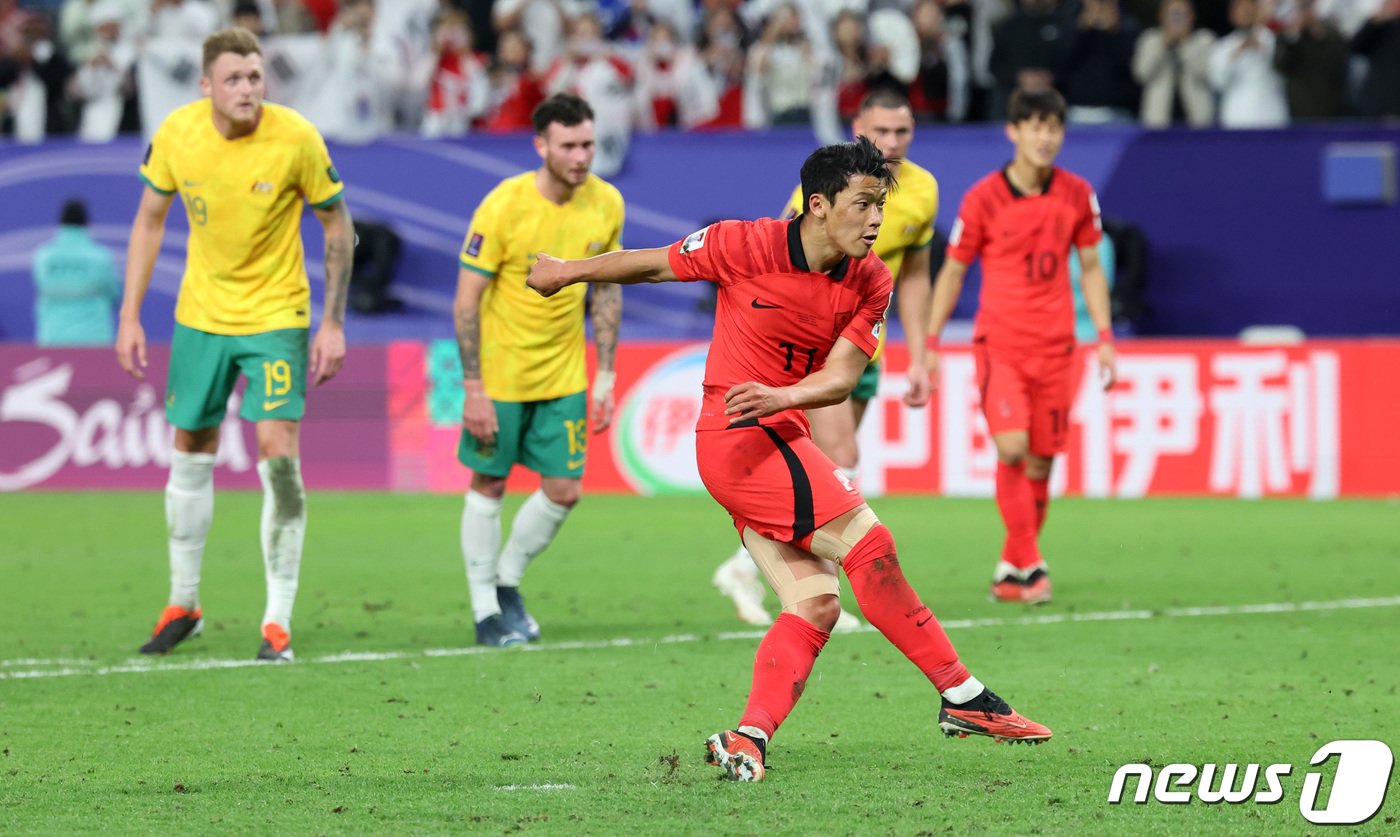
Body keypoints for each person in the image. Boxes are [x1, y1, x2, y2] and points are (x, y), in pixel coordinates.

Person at [527, 137, 1052, 782]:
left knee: (815, 603)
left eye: (881, 205)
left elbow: (841, 377)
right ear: (820, 205)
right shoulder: (740, 244)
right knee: (870, 545)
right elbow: (652, 264)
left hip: (781, 431)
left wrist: (782, 396)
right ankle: (963, 696)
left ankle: (748, 738)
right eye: (862, 205)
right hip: (734, 437)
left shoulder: (871, 278)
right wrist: (567, 271)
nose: (876, 220)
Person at [115, 26, 355, 662]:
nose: (248, 88)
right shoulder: (176, 134)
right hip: (200, 317)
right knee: (191, 447)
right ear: (206, 86)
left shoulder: (296, 137)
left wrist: (332, 322)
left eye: (255, 76)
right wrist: (130, 315)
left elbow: (337, 225)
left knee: (277, 454)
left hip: (277, 313)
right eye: (235, 79)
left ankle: (276, 620)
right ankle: (184, 603)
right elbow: (148, 218)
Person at [711, 88, 939, 632]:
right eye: (881, 132)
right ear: (860, 127)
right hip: (814, 353)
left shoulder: (923, 191)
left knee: (833, 466)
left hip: (864, 349)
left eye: (902, 133)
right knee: (840, 454)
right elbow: (786, 264)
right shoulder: (827, 187)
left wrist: (922, 355)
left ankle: (755, 571)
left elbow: (914, 275)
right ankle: (807, 586)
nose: (892, 143)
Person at [925, 87, 1116, 605]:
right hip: (1002, 345)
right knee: (1012, 447)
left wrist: (1104, 337)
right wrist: (930, 341)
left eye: (1053, 126)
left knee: (1040, 463)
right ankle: (1032, 563)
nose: (1045, 136)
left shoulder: (1077, 194)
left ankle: (1011, 570)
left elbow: (1093, 269)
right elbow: (954, 272)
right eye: (1034, 125)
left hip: (1059, 347)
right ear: (1013, 131)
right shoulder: (983, 198)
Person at [454, 93, 623, 648]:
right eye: (569, 145)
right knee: (490, 482)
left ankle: (505, 582)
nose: (581, 156)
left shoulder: (606, 204)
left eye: (588, 144)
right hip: (501, 378)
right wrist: (473, 387)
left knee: (565, 489)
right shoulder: (503, 205)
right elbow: (466, 300)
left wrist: (606, 374)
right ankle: (484, 613)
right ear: (542, 146)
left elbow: (606, 290)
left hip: (565, 375)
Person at [33, 199, 120, 347]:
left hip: (52, 337)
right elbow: (114, 294)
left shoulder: (43, 256)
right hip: (94, 340)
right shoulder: (101, 257)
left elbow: (42, 287)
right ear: (87, 223)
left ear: (61, 223)